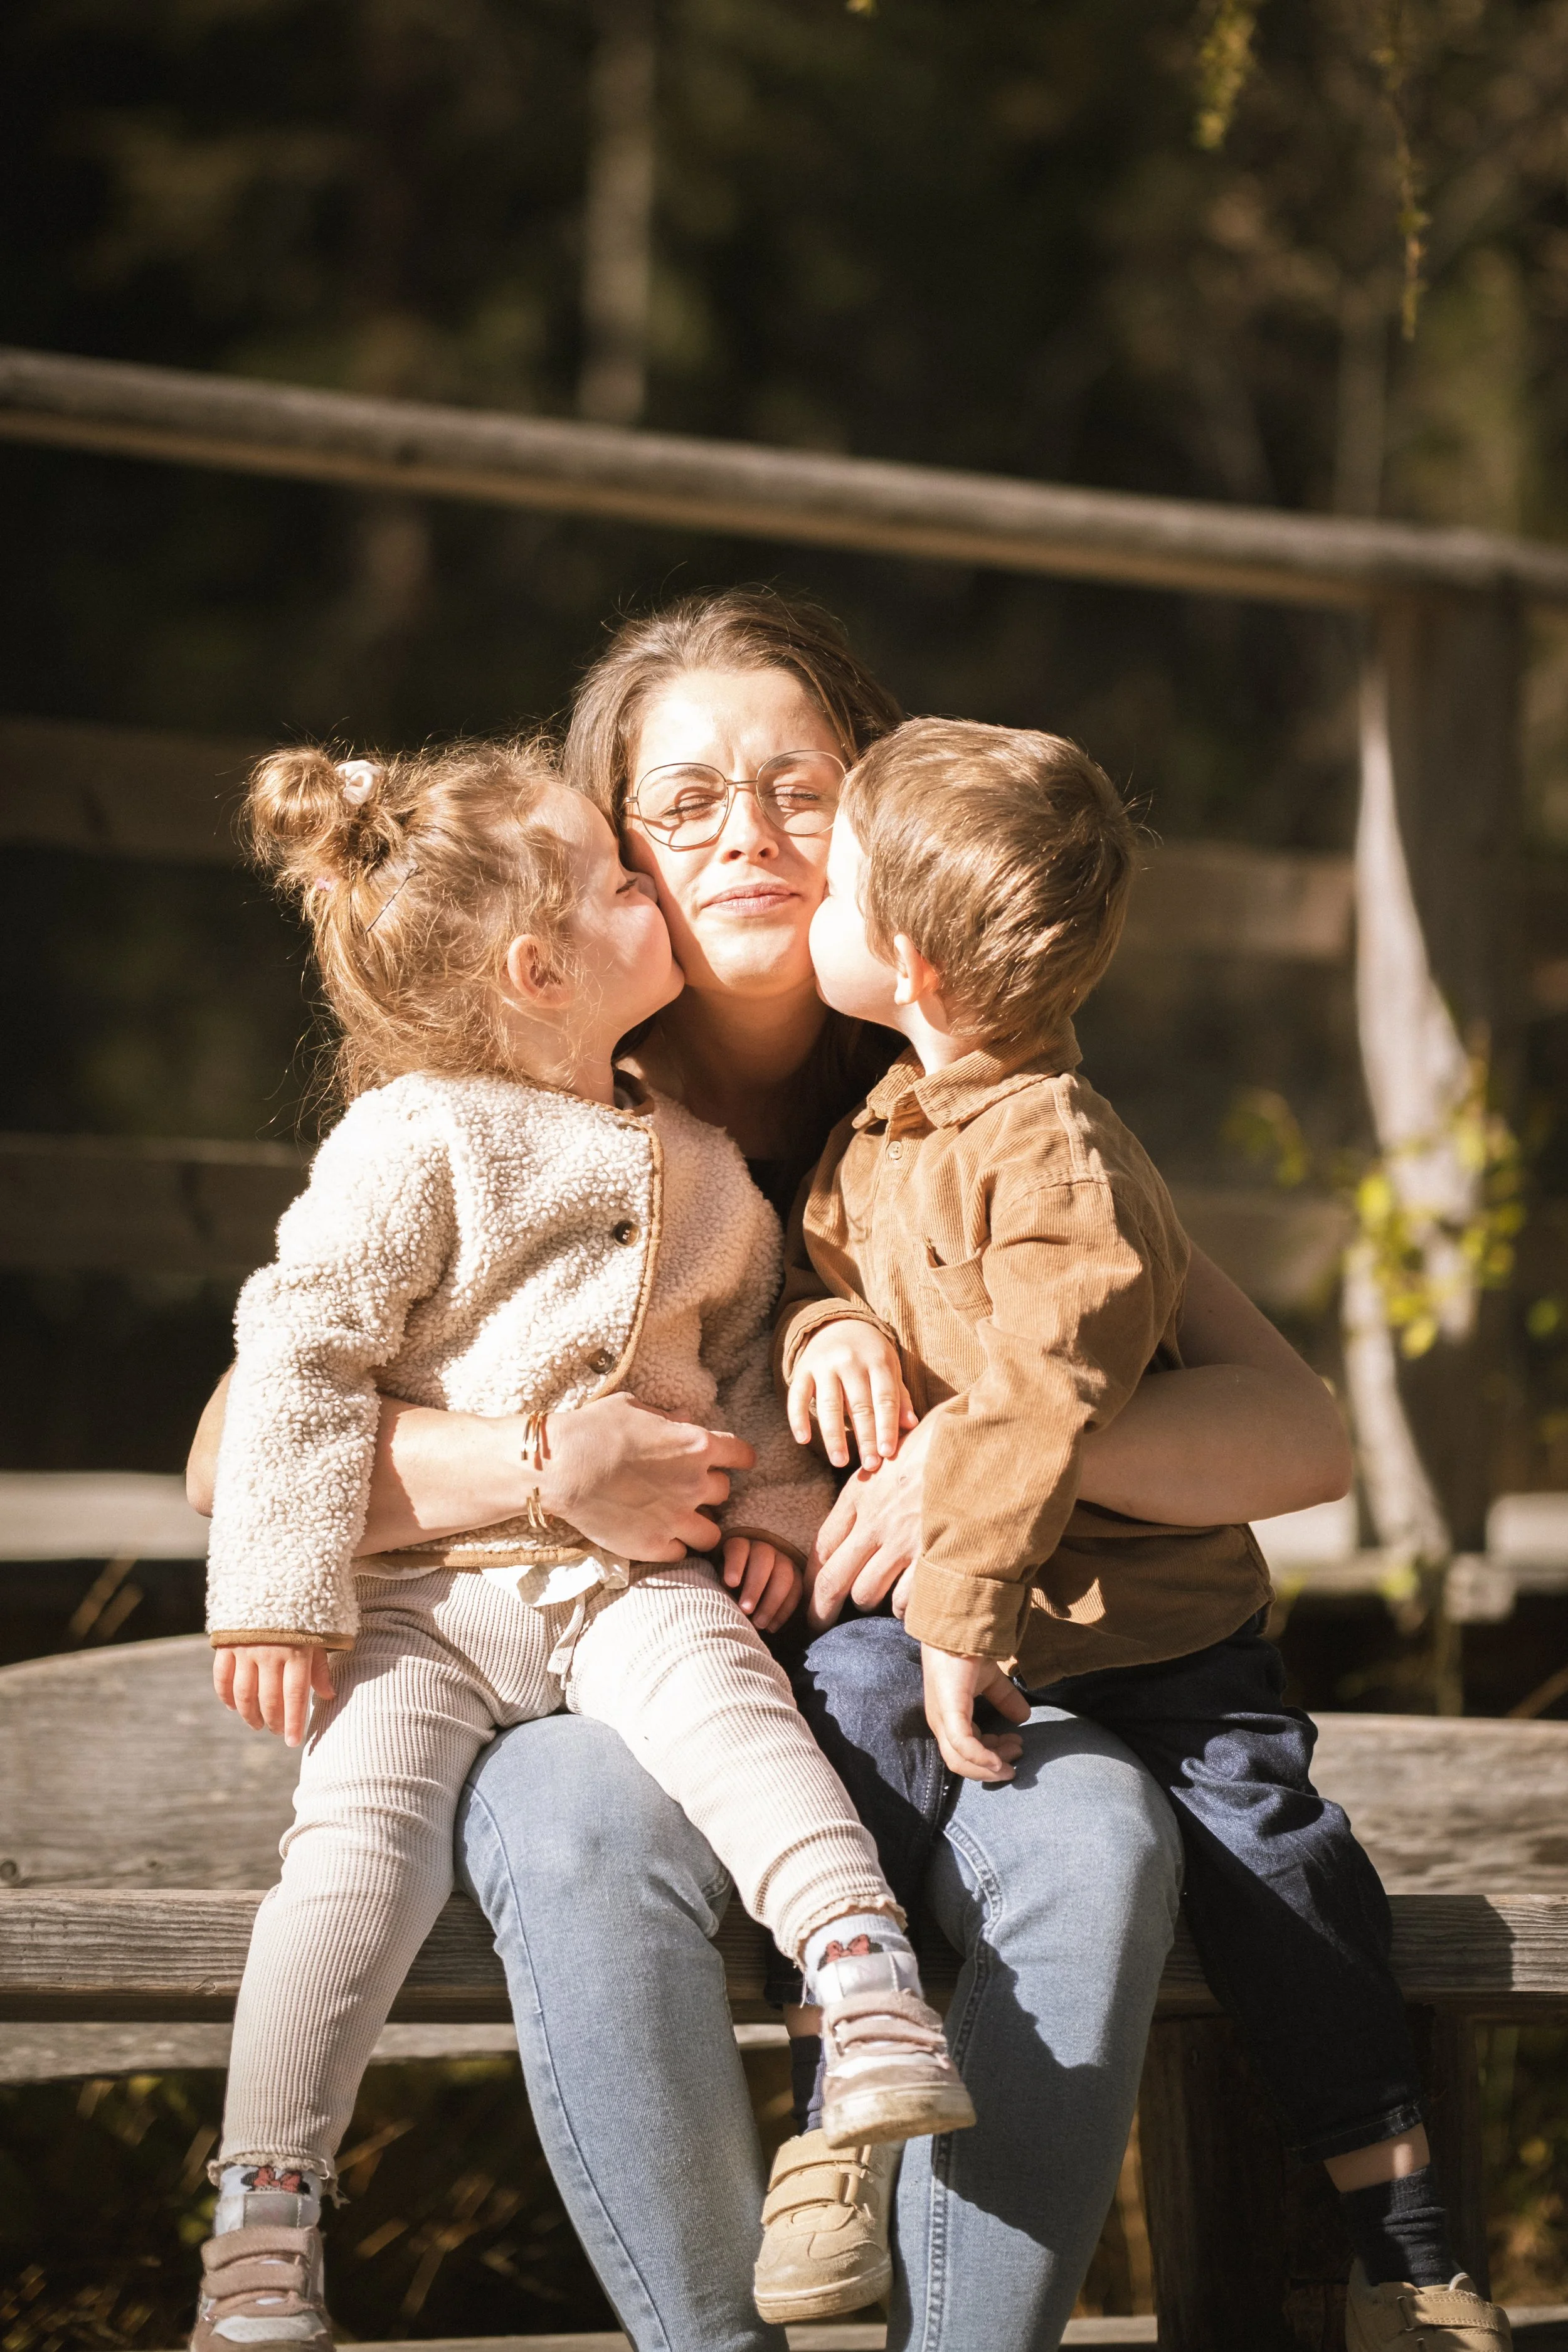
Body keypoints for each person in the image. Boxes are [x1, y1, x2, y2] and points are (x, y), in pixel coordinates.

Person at [190, 588, 1352, 2351]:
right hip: (607, 1668)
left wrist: (986, 1442)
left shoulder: (973, 1093)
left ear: (881, 821)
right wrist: (541, 1457)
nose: (747, 831)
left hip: (906, 1682)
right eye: (683, 802)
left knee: (1098, 1827)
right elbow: (235, 1448)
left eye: (801, 788)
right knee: (572, 1813)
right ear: (597, 867)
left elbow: (1300, 1434)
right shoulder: (518, 1106)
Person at [190, 733, 973, 2352]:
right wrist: (276, 1593)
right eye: (628, 877)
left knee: (746, 1726)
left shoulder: (695, 1162)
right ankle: (265, 2216)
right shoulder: (416, 1138)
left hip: (628, 1585)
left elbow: (750, 1352)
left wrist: (764, 1508)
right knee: (352, 1854)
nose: (654, 884)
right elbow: (302, 1353)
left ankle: (866, 1985)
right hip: (418, 1605)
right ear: (542, 965)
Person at [777, 712, 1512, 2352]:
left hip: (1160, 1642)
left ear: (902, 958)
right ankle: (833, 2115)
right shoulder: (888, 1132)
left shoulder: (1054, 1153)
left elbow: (1043, 1392)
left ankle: (1400, 2241)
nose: (807, 894)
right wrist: (817, 1330)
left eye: (827, 874)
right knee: (845, 1761)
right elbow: (831, 1272)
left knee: (1287, 1874)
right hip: (979, 1641)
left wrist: (957, 1604)